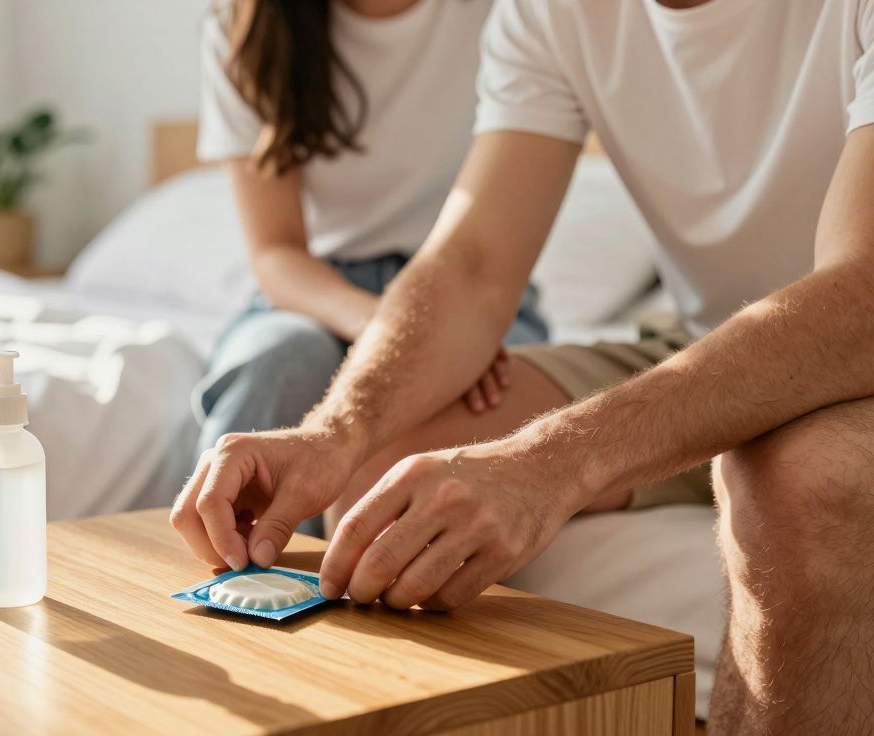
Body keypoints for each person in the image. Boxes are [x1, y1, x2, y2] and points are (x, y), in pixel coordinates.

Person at [172, 0, 874, 732]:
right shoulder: (549, 10)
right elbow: (472, 265)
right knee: (388, 473)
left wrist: (553, 460)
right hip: (697, 338)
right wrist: (334, 434)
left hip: (855, 353)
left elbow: (863, 293)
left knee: (801, 481)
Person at [192, 0, 548, 460]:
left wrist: (430, 328)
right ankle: (222, 507)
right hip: (319, 295)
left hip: (467, 287)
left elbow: (487, 256)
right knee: (277, 362)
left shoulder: (508, 12)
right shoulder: (244, 27)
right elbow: (276, 251)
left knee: (484, 405)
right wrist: (386, 326)